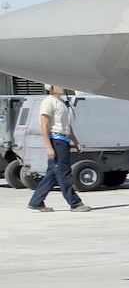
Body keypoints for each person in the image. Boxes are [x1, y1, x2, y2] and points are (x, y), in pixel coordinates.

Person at [26, 85, 90, 213]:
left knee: (52, 174)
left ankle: (36, 201)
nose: (62, 87)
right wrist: (48, 147)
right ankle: (75, 203)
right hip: (56, 140)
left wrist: (76, 141)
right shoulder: (48, 102)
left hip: (64, 139)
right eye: (58, 86)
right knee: (64, 172)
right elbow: (43, 126)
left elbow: (67, 126)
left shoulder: (60, 103)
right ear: (51, 88)